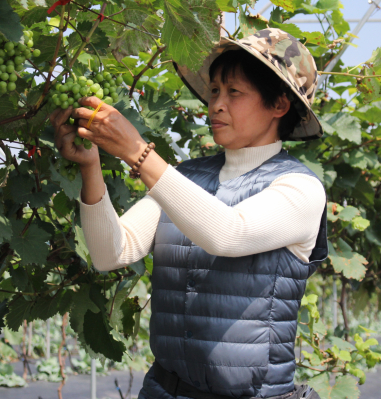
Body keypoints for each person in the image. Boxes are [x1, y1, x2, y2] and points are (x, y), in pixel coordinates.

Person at [50, 28, 328, 399]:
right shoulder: (185, 177)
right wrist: (90, 168)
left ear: (278, 105)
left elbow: (228, 233)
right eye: (214, 91)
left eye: (234, 93)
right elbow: (111, 252)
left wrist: (137, 152)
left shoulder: (300, 188)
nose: (216, 104)